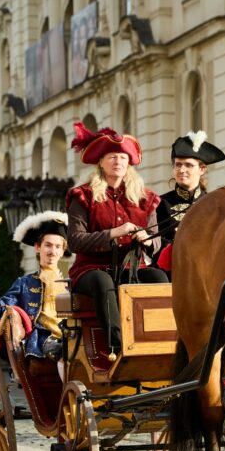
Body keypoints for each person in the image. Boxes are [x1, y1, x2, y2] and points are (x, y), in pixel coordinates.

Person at [66, 123, 167, 356]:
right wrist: (114, 232)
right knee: (103, 281)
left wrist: (148, 240)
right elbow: (75, 241)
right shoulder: (83, 196)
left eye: (122, 157)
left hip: (132, 267)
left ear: (129, 163)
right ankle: (118, 347)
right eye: (112, 157)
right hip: (90, 270)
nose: (118, 161)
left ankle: (160, 343)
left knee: (158, 276)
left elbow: (156, 240)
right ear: (101, 162)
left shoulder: (146, 198)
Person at [0, 212, 69, 361]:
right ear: (37, 247)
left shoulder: (70, 285)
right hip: (43, 342)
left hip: (70, 338)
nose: (53, 251)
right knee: (62, 352)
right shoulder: (24, 284)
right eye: (48, 245)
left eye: (58, 246)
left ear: (63, 251)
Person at [156, 131, 225, 262]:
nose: (182, 170)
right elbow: (155, 242)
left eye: (189, 165)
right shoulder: (160, 203)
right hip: (172, 269)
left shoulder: (214, 203)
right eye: (178, 165)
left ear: (202, 169)